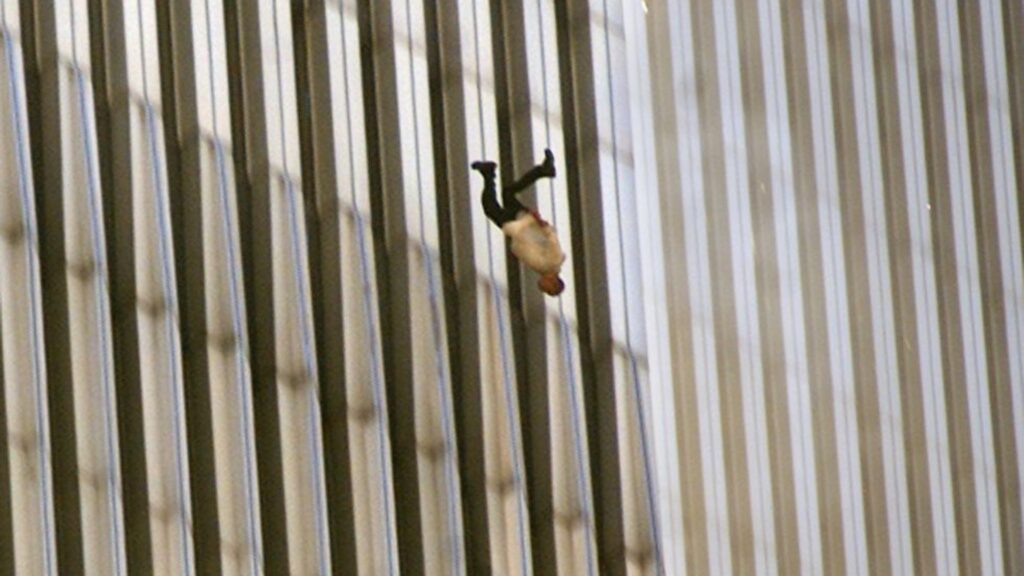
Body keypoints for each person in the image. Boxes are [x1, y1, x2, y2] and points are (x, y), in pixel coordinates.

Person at [472, 149, 566, 296]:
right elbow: (552, 239)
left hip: (523, 224)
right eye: (548, 289)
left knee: (508, 193)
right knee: (491, 209)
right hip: (521, 225)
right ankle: (488, 174)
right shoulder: (553, 262)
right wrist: (541, 223)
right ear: (553, 282)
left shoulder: (544, 267)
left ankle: (543, 171)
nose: (543, 288)